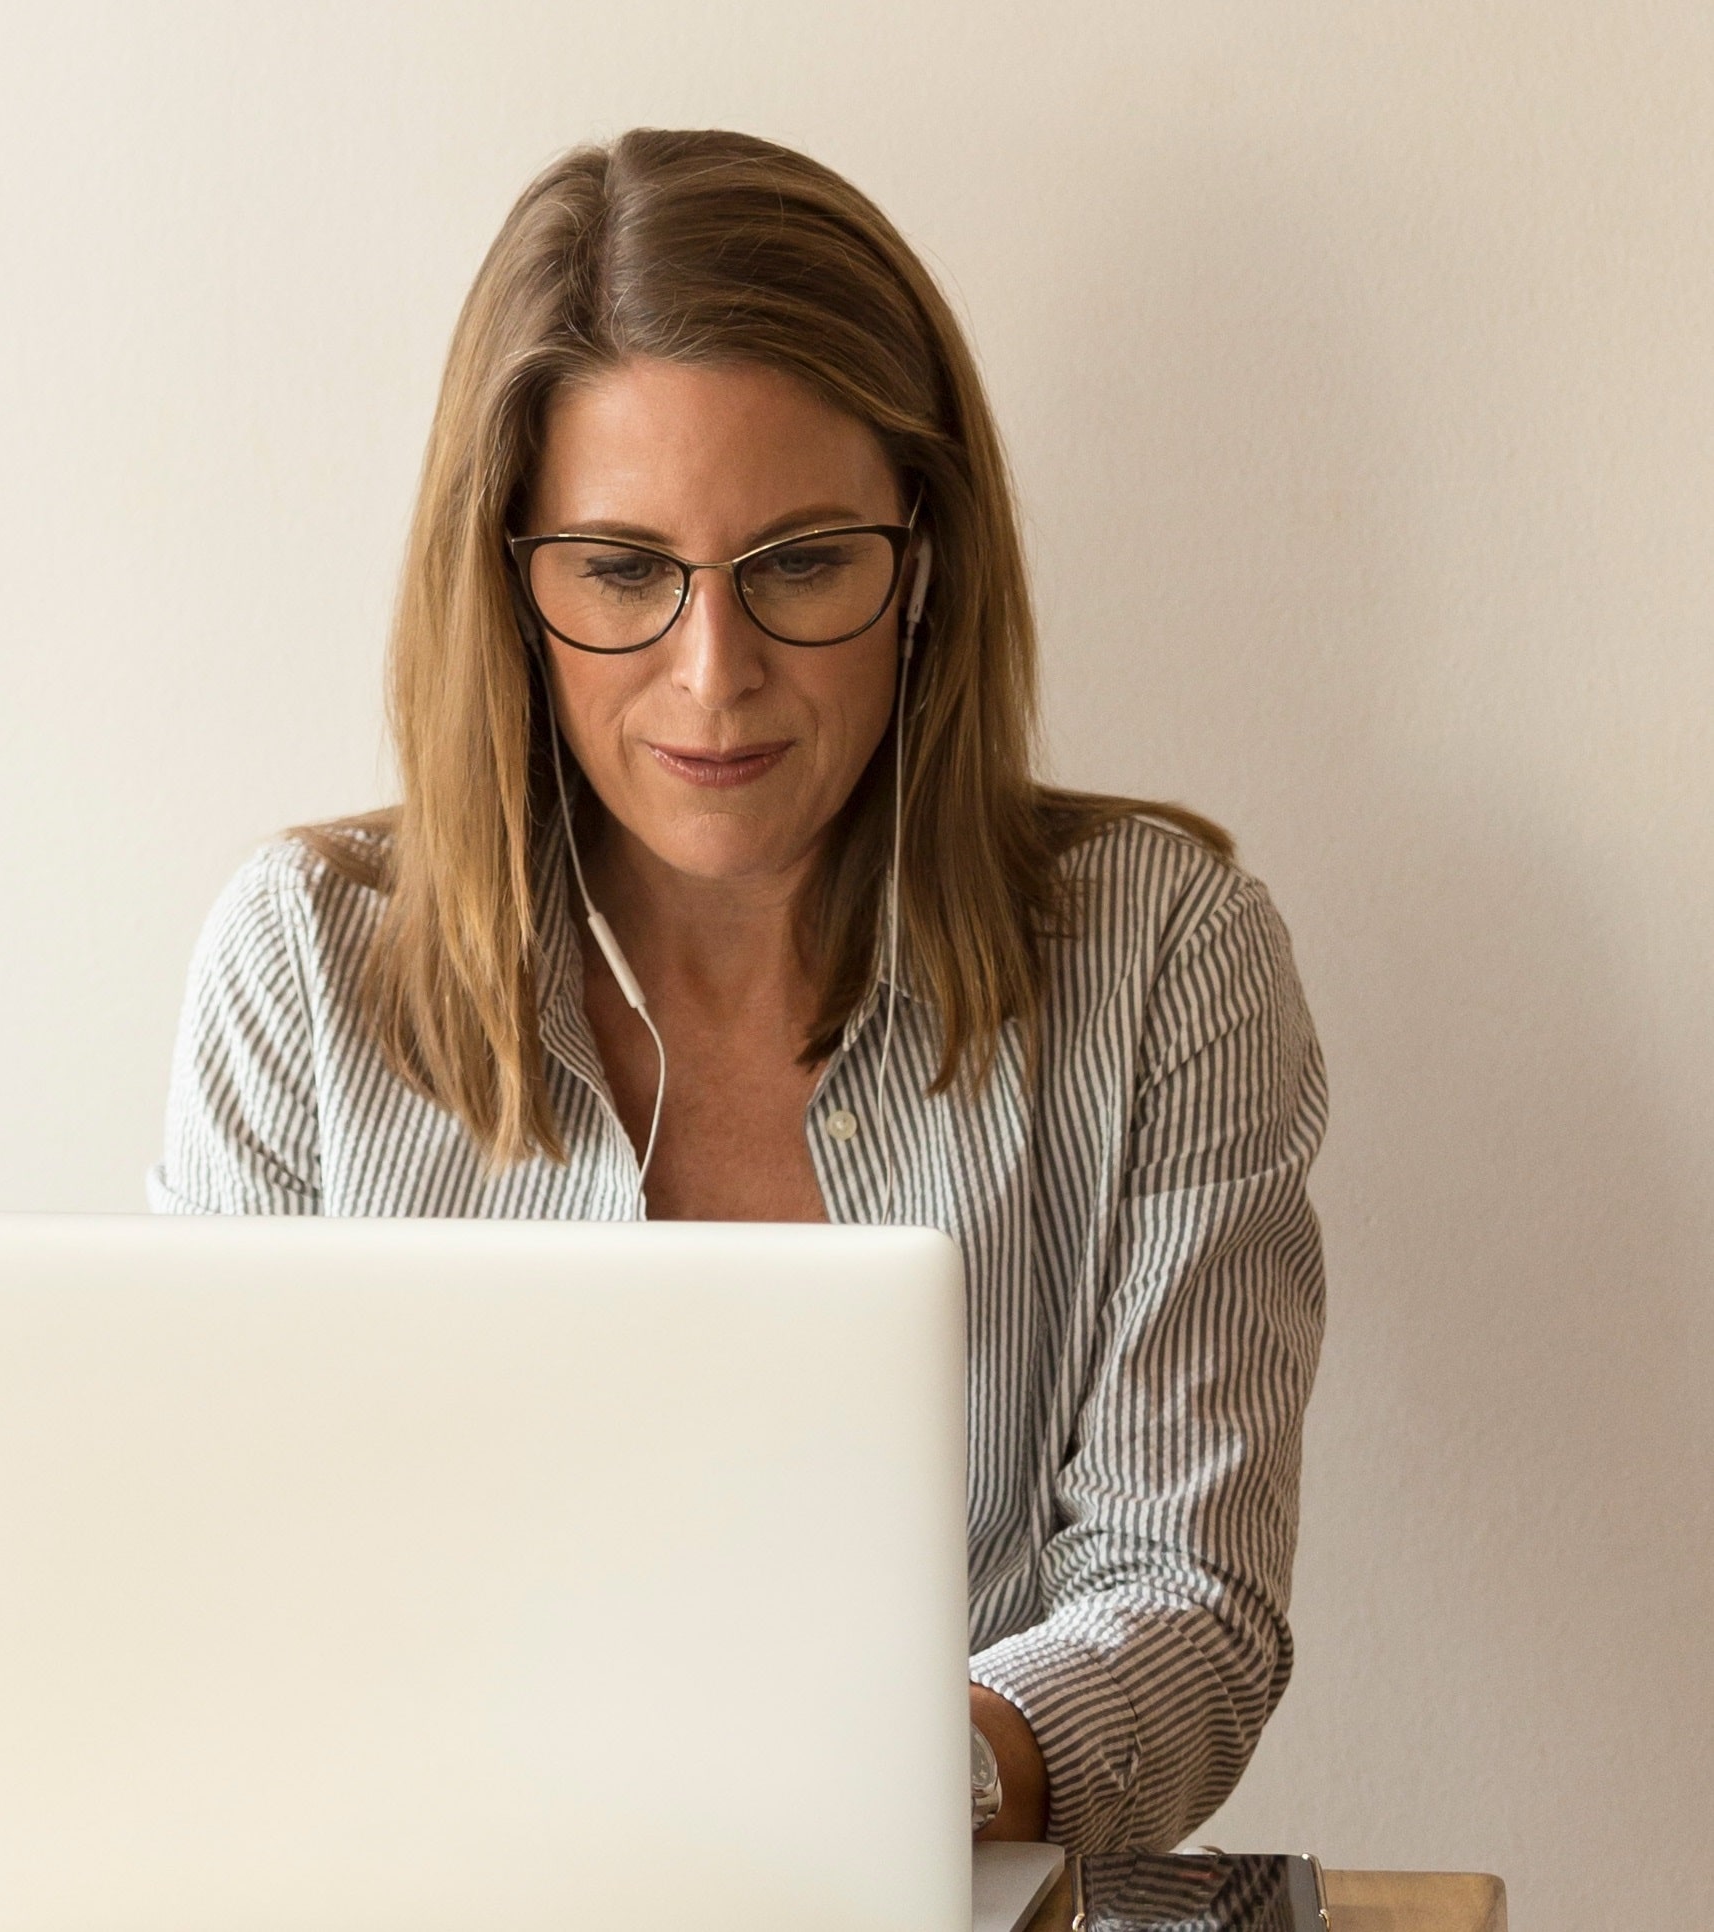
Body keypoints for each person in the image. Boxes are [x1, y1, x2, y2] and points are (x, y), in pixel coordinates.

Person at [151, 127, 1327, 1854]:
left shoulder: (1163, 957)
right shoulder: (302, 966)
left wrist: (880, 1793)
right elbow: (211, 1582)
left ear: (924, 559)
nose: (715, 677)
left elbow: (1190, 1604)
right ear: (508, 580)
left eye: (800, 564)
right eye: (624, 571)